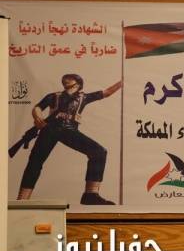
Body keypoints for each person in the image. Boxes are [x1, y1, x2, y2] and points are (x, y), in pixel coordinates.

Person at [16, 74, 122, 205]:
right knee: (35, 161)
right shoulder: (54, 96)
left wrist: (122, 82)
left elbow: (107, 92)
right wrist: (37, 116)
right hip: (50, 129)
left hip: (69, 130)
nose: (66, 81)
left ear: (78, 84)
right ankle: (22, 200)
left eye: (70, 80)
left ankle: (90, 195)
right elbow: (38, 107)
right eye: (65, 81)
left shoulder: (84, 97)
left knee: (99, 152)